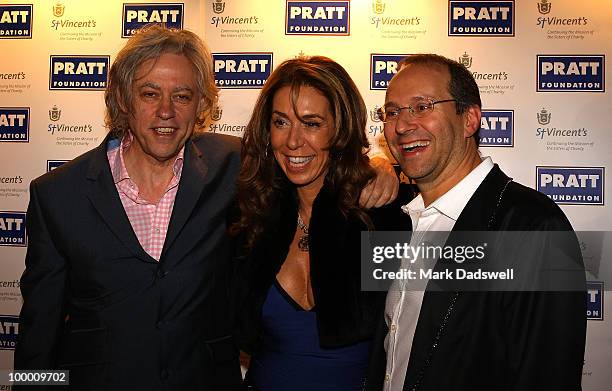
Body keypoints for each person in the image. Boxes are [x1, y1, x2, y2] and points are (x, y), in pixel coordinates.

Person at [14, 26, 398, 391]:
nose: (166, 111)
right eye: (149, 93)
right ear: (121, 99)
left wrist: (381, 168)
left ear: (201, 103)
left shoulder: (231, 166)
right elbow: (38, 335)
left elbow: (308, 159)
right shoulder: (58, 195)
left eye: (181, 96)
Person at [366, 54, 586, 391]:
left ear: (470, 120)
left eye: (422, 107)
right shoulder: (401, 221)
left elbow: (548, 376)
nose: (401, 125)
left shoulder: (534, 226)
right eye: (392, 112)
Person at [231, 56, 413, 391]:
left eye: (312, 124)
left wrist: (386, 167)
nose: (293, 141)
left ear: (340, 130)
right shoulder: (250, 217)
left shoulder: (382, 217)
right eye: (281, 122)